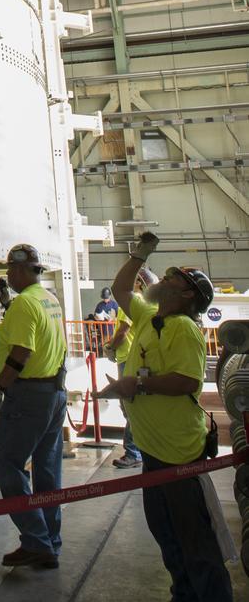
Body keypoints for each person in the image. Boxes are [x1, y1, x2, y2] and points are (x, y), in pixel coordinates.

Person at [96, 232, 232, 601]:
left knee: (195, 538)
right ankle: (184, 594)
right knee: (166, 532)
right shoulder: (147, 316)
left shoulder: (184, 328)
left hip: (180, 453)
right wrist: (139, 255)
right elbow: (122, 288)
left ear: (187, 295)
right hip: (154, 451)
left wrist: (136, 387)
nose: (164, 280)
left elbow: (187, 380)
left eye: (174, 279)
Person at [0, 243, 67, 570]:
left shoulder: (23, 306)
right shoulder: (48, 299)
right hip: (54, 393)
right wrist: (9, 304)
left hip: (28, 397)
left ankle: (36, 541)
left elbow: (21, 352)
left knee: (7, 464)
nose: (7, 275)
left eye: (9, 270)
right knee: (48, 473)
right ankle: (50, 543)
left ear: (19, 270)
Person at [104, 267, 157, 469]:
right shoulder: (149, 303)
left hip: (128, 359)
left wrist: (110, 347)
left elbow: (123, 332)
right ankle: (140, 449)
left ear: (138, 283)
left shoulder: (133, 302)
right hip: (135, 358)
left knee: (130, 406)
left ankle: (133, 452)